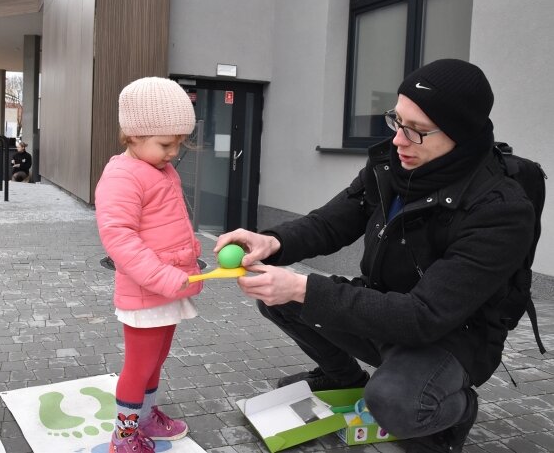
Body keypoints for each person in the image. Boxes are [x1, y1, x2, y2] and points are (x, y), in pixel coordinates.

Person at [215, 59, 535, 452]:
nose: (399, 140)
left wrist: (304, 288)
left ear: (461, 136)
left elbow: (423, 317)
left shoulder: (499, 209)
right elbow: (330, 224)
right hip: (383, 308)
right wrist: (272, 242)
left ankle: (458, 409)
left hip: (451, 337)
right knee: (277, 299)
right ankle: (341, 377)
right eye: (396, 121)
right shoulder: (388, 166)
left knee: (396, 405)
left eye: (416, 131)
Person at [95, 77, 202, 453]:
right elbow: (120, 239)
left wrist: (188, 248)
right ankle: (123, 438)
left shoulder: (158, 168)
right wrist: (163, 275)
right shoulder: (122, 175)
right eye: (166, 144)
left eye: (178, 144)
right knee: (138, 367)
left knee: (156, 361)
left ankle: (145, 417)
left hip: (170, 285)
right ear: (133, 135)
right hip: (147, 290)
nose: (174, 152)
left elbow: (163, 222)